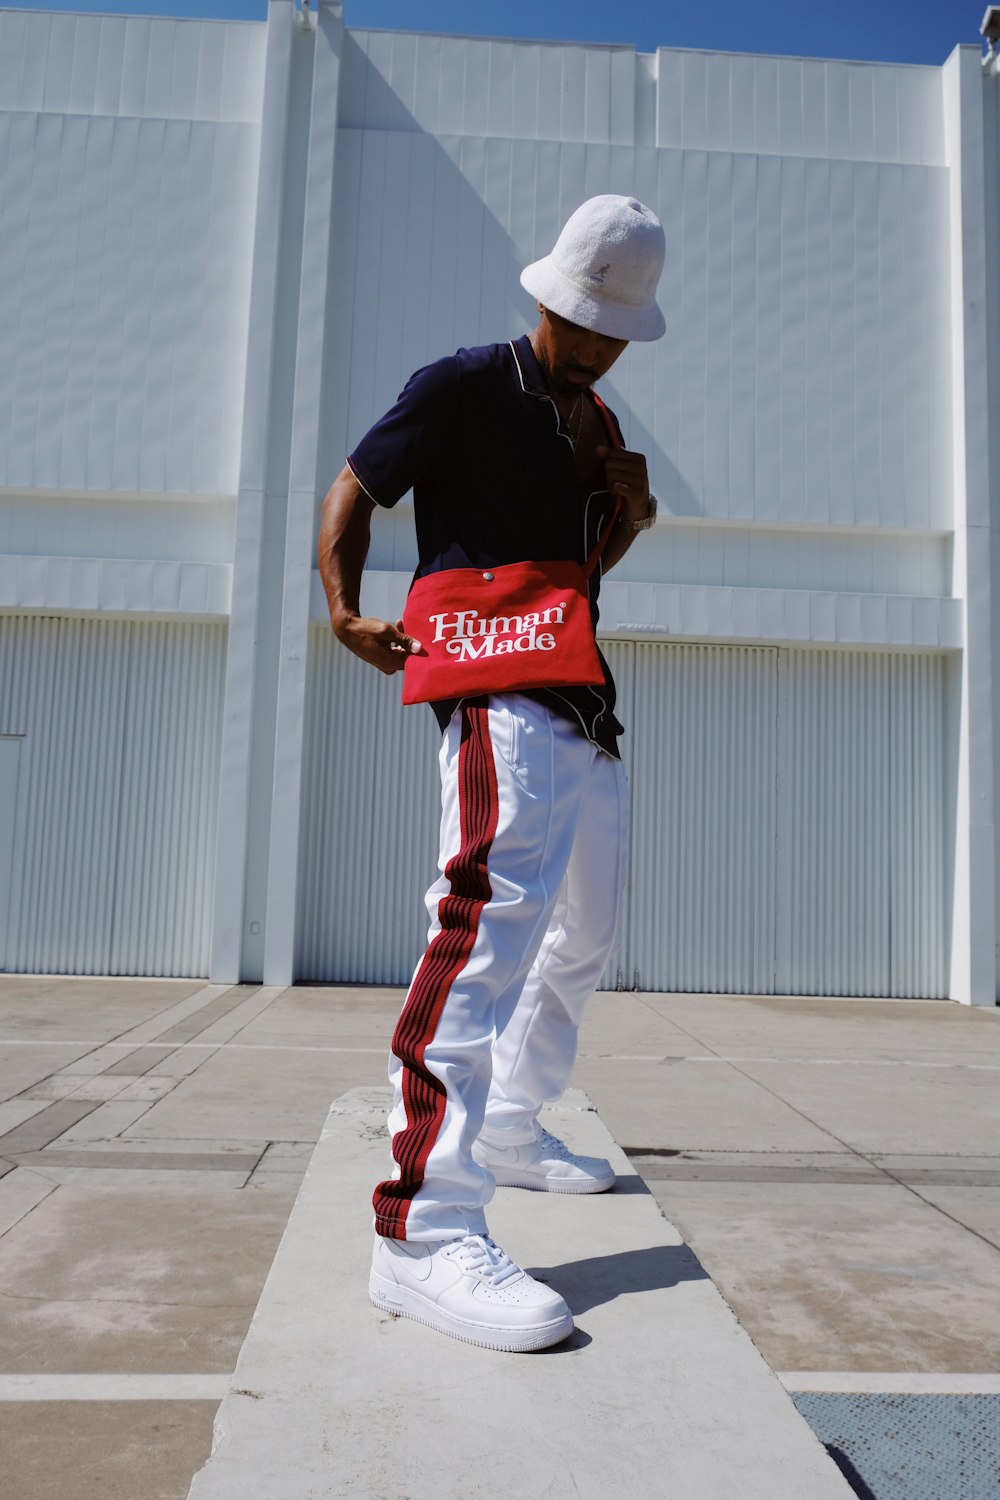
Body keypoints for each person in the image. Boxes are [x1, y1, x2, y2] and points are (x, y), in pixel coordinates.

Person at [318, 195, 666, 1352]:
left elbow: (582, 566)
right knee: (484, 922)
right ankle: (421, 1228)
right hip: (487, 676)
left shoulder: (599, 420)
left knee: (586, 928)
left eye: (618, 328)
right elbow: (356, 488)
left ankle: (513, 1124)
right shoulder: (464, 382)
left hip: (578, 690)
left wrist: (625, 514)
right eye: (585, 318)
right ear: (546, 296)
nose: (601, 341)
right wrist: (342, 611)